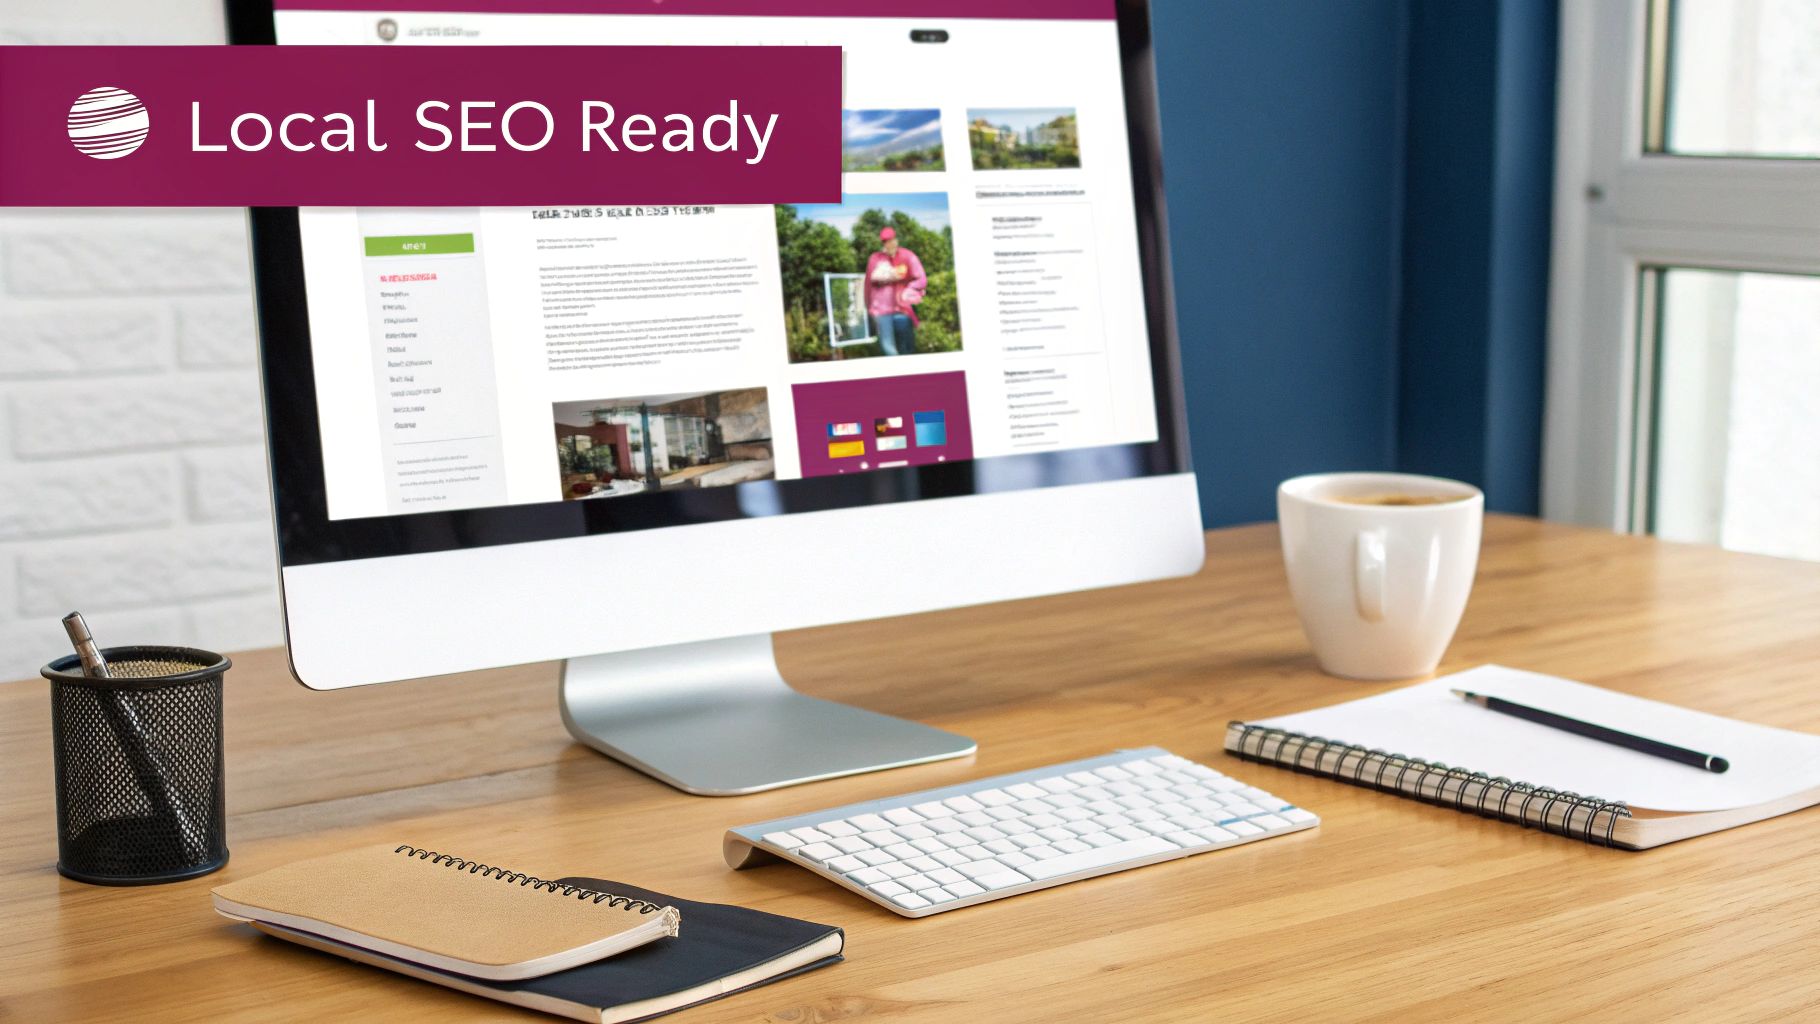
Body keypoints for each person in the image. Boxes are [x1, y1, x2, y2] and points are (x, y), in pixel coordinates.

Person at [863, 226, 925, 356]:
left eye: (891, 240)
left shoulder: (907, 256)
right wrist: (868, 307)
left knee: (906, 347)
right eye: (886, 241)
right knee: (888, 346)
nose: (890, 244)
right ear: (883, 243)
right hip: (881, 310)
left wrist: (908, 291)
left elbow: (921, 279)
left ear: (896, 240)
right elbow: (868, 283)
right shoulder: (875, 258)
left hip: (901, 309)